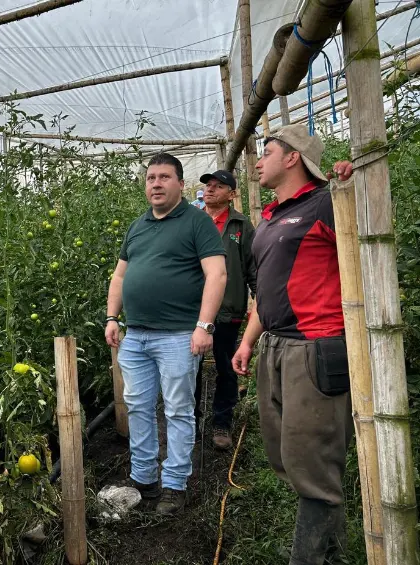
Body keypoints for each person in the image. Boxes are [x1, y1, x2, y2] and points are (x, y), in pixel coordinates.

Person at [231, 124, 354, 565]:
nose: (258, 161)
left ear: (292, 158)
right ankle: (333, 553)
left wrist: (350, 186)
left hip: (315, 347)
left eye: (266, 151)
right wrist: (248, 341)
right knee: (285, 455)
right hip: (276, 347)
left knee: (311, 462)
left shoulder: (327, 203)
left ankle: (307, 559)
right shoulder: (270, 219)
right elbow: (267, 290)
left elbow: (369, 238)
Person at [105, 153, 227, 516]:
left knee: (177, 410)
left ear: (180, 183)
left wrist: (204, 326)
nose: (155, 184)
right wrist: (112, 317)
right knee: (139, 407)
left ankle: (175, 483)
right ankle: (143, 477)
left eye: (163, 177)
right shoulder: (137, 225)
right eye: (150, 178)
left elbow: (217, 275)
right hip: (136, 335)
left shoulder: (196, 222)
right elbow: (120, 277)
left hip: (177, 336)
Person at [193, 169, 257, 449]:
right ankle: (190, 422)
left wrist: (260, 300)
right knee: (189, 369)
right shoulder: (191, 221)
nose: (210, 189)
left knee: (226, 368)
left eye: (219, 186)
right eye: (208, 185)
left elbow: (253, 268)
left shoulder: (241, 226)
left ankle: (222, 421)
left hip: (228, 310)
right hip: (193, 311)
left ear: (231, 195)